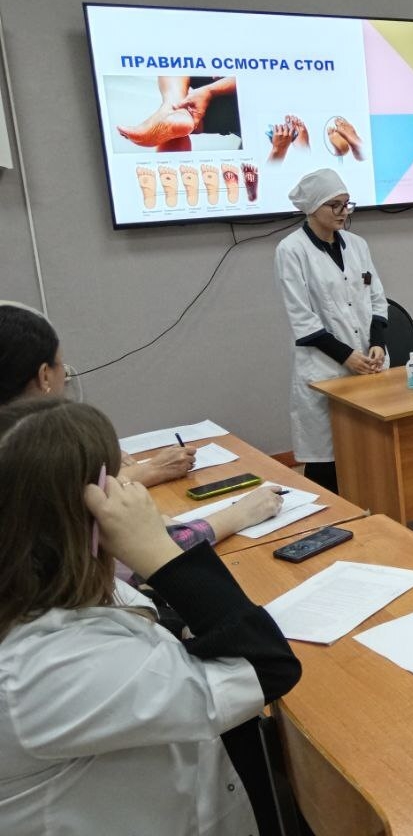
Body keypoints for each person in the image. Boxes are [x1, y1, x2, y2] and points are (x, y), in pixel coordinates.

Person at [0, 396, 301, 835]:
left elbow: (145, 611)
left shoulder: (36, 590)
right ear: (92, 511)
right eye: (118, 478)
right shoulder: (42, 670)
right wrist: (159, 550)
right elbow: (266, 666)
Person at [0, 302, 281, 545]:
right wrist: (238, 515)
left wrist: (149, 471)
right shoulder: (40, 452)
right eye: (62, 364)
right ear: (44, 376)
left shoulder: (18, 445)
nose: (65, 375)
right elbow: (151, 550)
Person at [274, 168, 388, 494]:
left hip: (368, 362)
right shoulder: (291, 250)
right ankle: (326, 516)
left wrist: (378, 344)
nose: (343, 212)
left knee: (371, 447)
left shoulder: (357, 245)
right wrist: (347, 356)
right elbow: (302, 318)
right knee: (327, 456)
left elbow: (377, 298)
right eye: (334, 205)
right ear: (312, 207)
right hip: (325, 368)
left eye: (347, 204)